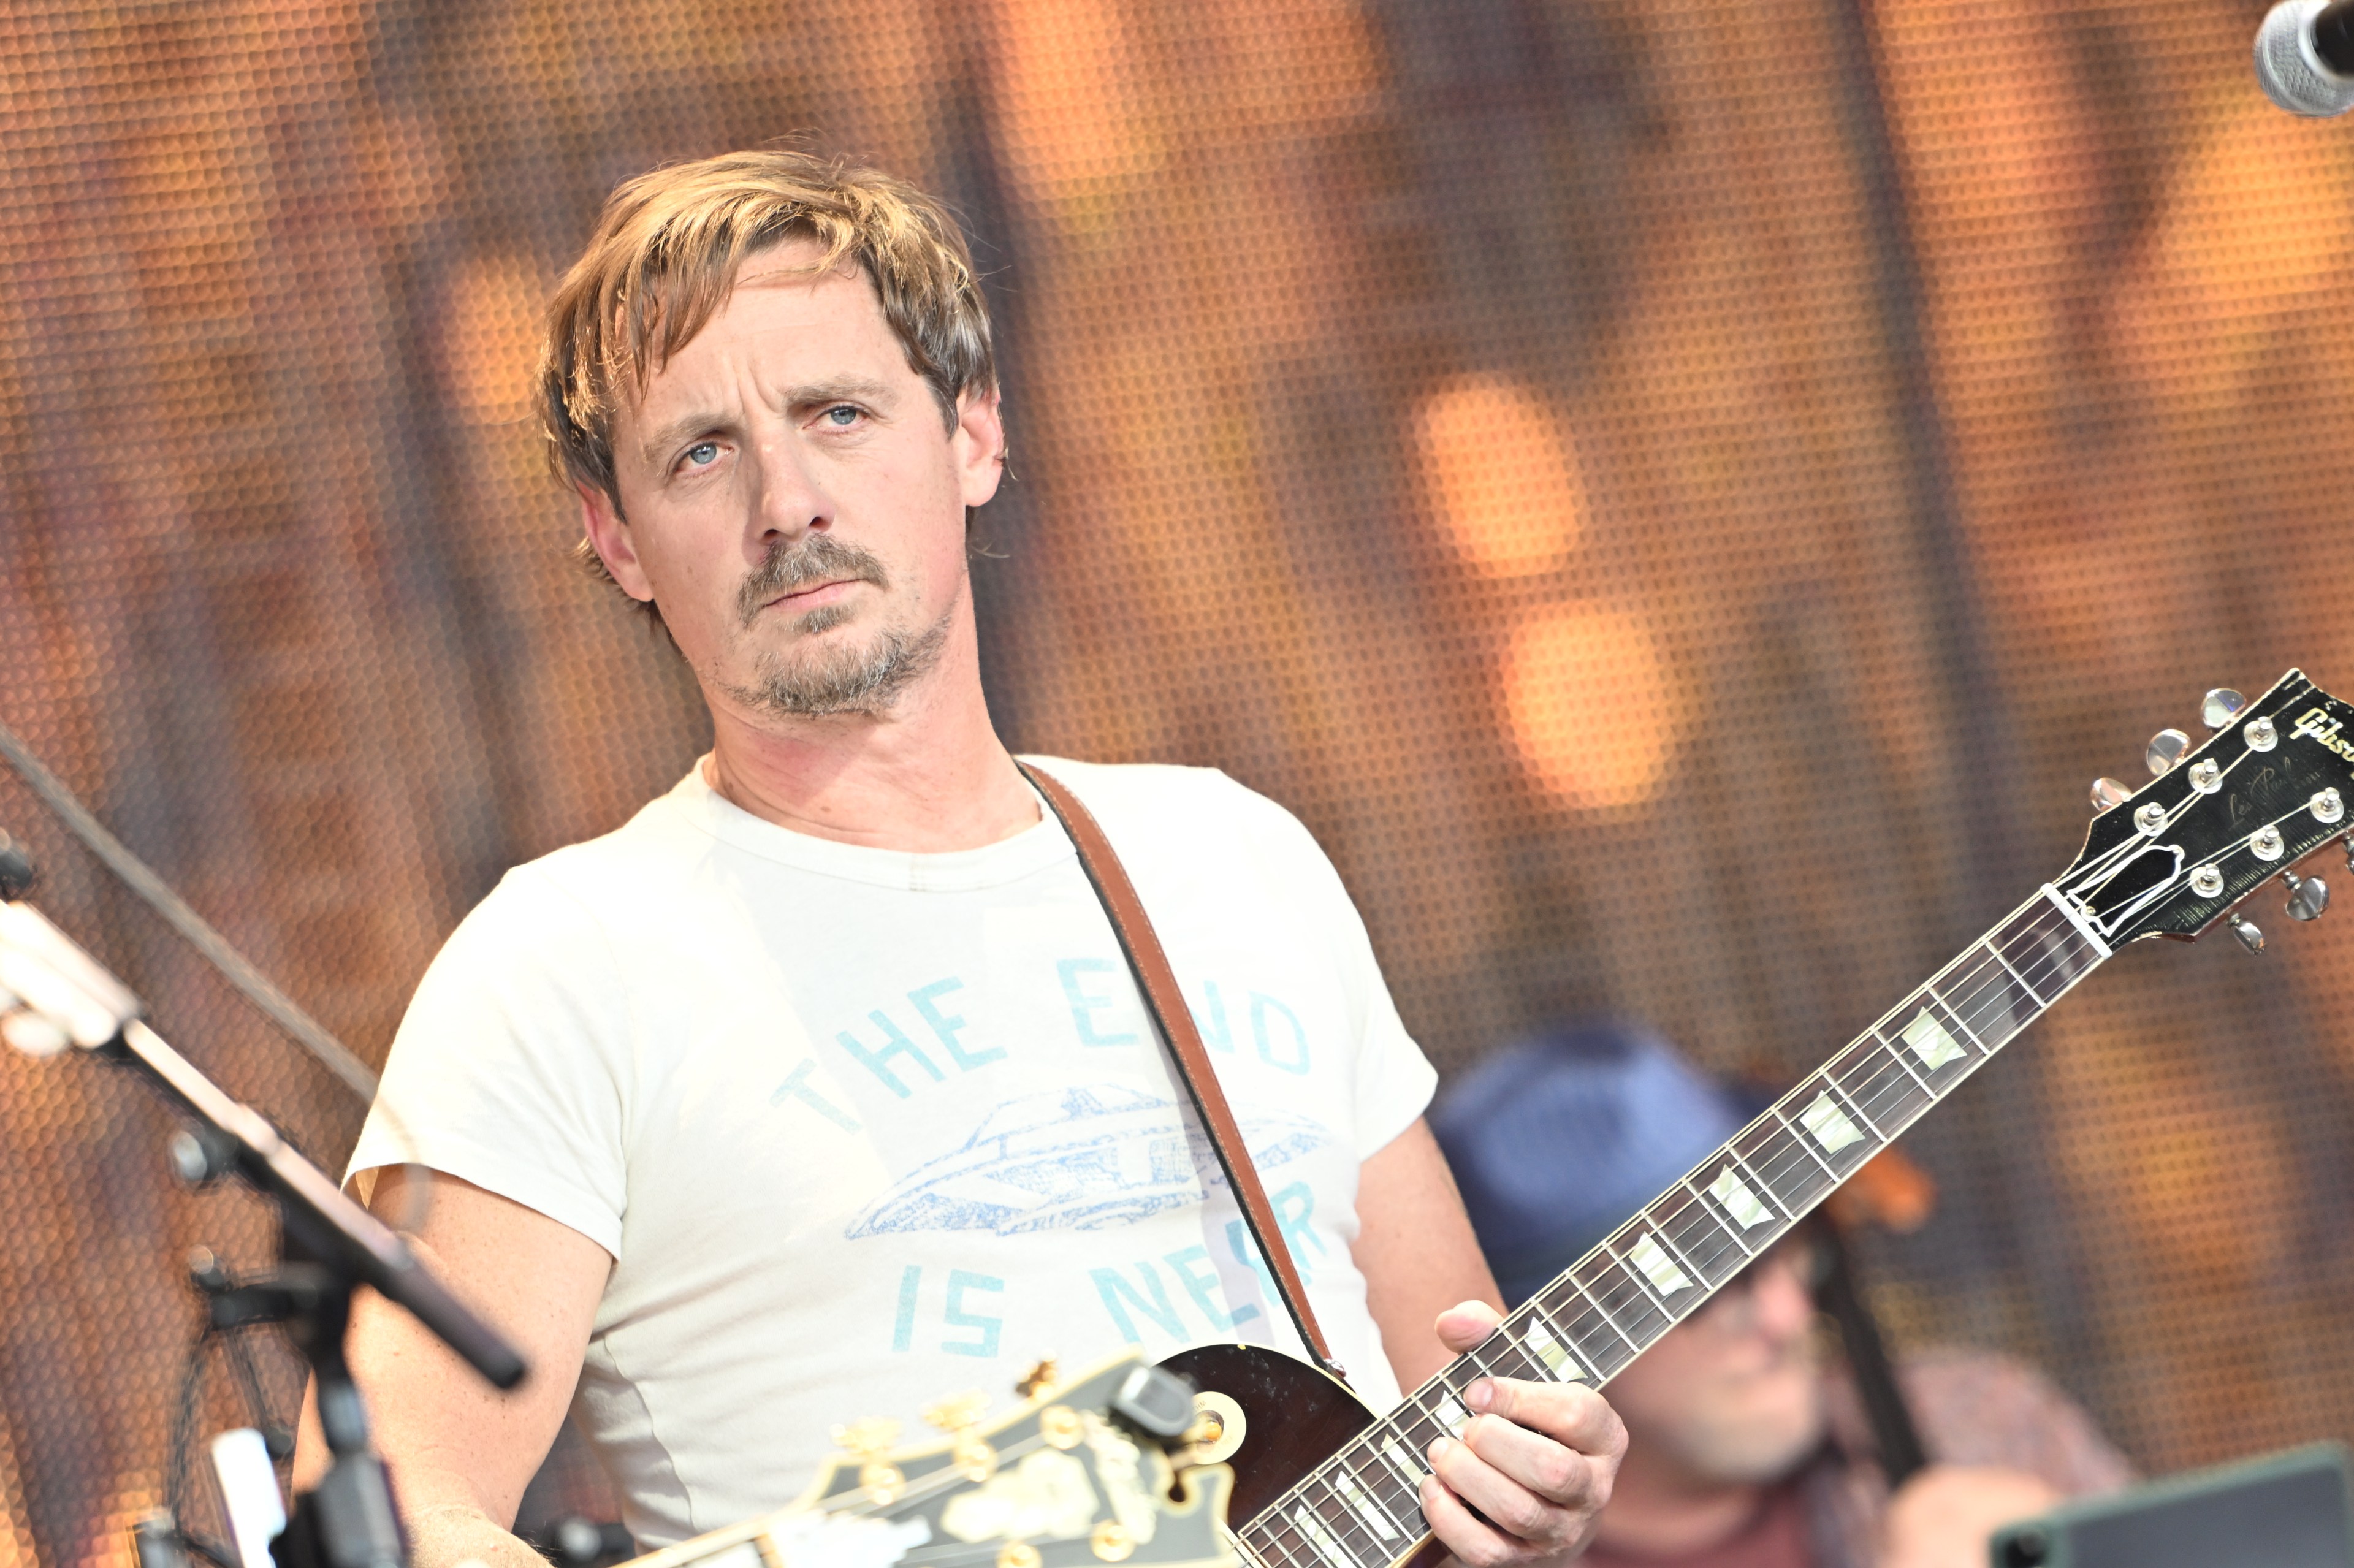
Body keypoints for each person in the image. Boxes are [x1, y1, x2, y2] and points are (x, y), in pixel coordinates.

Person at [294, 150, 1626, 1568]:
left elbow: (1452, 1416)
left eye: (839, 414)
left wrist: (1533, 1490)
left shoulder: (1234, 858)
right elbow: (382, 1526)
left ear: (974, 434)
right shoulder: (563, 966)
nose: (787, 501)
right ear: (616, 538)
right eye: (700, 452)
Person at [1428, 1022, 2131, 1568]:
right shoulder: (1458, 1555)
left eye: (1792, 1251)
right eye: (1711, 1287)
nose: (1789, 1314)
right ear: (1559, 1340)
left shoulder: (1985, 1422)